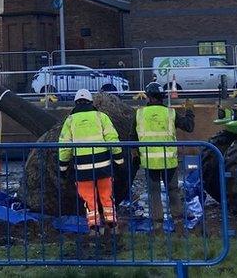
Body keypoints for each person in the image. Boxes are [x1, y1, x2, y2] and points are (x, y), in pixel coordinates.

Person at [58, 88, 124, 235]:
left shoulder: (70, 121)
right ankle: (112, 226)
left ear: (76, 103)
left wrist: (62, 168)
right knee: (107, 196)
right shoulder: (101, 117)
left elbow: (64, 147)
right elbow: (112, 139)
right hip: (103, 166)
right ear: (91, 102)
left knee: (89, 199)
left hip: (82, 168)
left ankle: (94, 228)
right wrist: (119, 161)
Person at [136, 91, 195, 230]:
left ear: (149, 97)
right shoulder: (170, 113)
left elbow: (132, 135)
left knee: (154, 192)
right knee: (173, 191)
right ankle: (179, 223)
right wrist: (189, 111)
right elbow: (189, 127)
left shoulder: (139, 114)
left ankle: (157, 225)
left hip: (150, 162)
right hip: (169, 161)